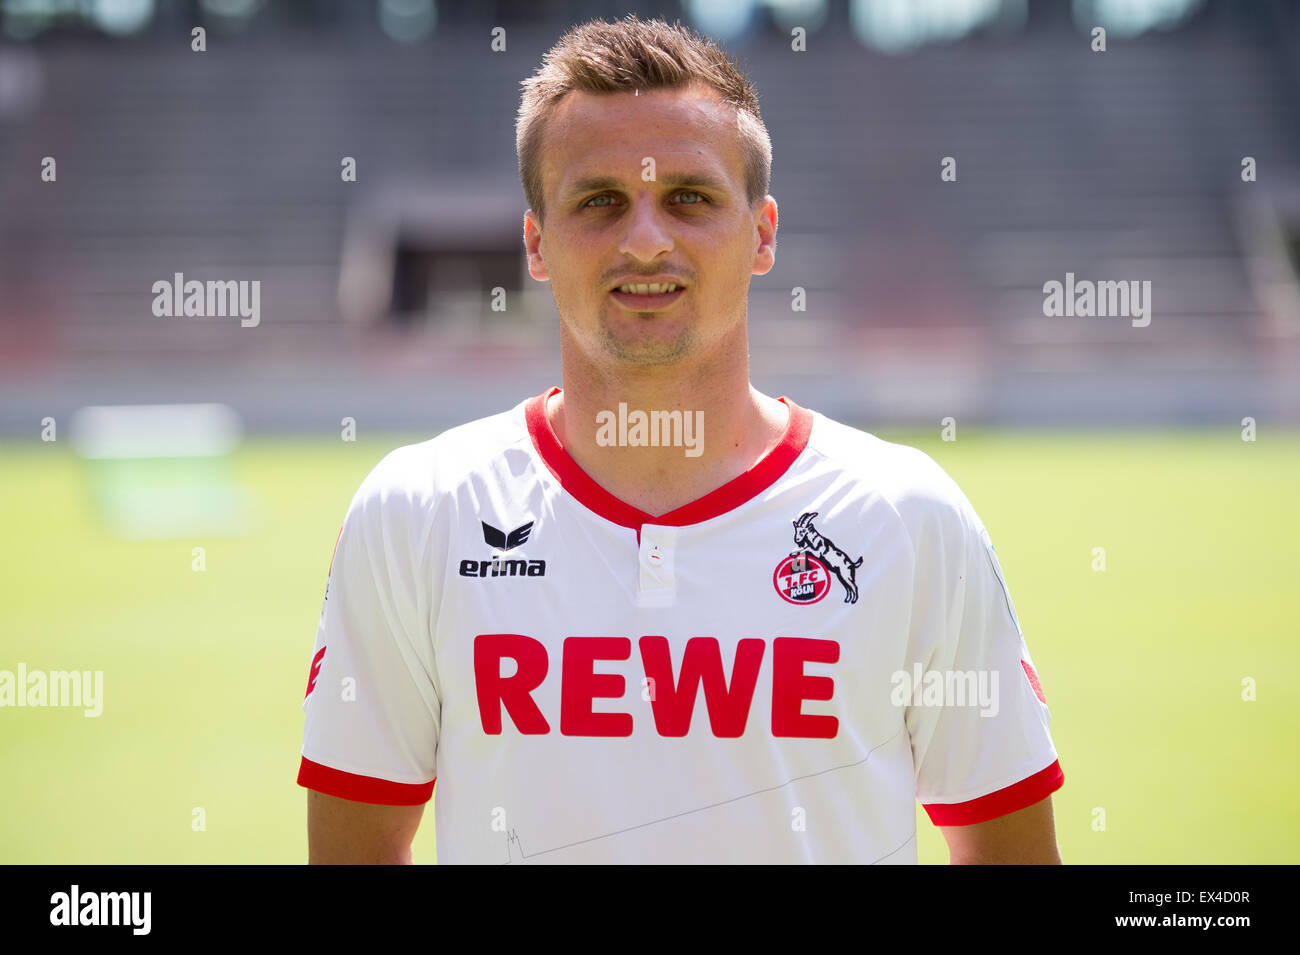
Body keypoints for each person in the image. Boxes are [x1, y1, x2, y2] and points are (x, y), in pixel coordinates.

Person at [298, 14, 1063, 864]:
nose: (645, 240)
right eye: (600, 201)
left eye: (690, 199)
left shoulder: (908, 517)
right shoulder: (418, 512)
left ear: (763, 232)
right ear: (537, 243)